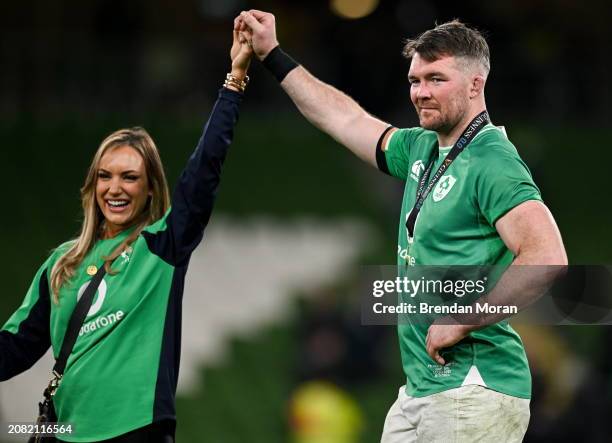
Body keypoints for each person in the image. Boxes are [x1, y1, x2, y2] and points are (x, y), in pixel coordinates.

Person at [236, 11, 567, 442]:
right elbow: (344, 119)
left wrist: (464, 318)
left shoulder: (492, 161)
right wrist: (273, 55)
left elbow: (547, 257)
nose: (420, 93)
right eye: (415, 80)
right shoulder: (421, 148)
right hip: (422, 390)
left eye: (435, 79)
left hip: (472, 387)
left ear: (475, 84)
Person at [0, 28, 253, 442]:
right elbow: (16, 349)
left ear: (150, 187)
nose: (114, 188)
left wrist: (235, 80)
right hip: (64, 432)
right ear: (92, 184)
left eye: (130, 177)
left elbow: (205, 169)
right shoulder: (61, 263)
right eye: (105, 176)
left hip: (137, 431)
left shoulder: (163, 245)